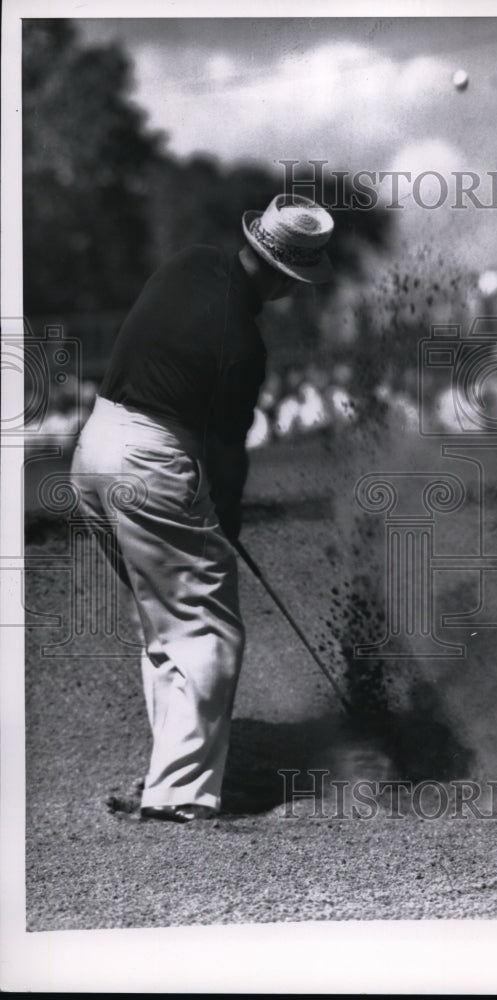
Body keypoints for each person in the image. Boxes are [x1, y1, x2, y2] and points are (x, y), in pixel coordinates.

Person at [70, 194, 335, 823]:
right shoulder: (244, 343)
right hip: (154, 458)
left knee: (164, 624)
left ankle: (170, 775)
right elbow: (223, 455)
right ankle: (180, 795)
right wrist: (227, 522)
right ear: (287, 278)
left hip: (93, 447)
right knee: (208, 630)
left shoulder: (190, 262)